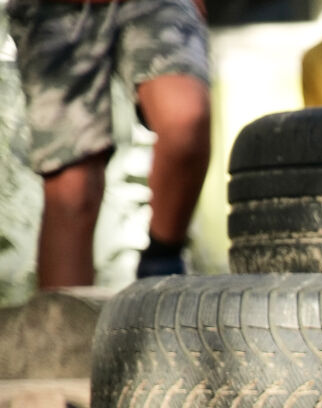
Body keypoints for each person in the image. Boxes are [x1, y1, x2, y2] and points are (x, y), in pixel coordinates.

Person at [8, 0, 212, 287]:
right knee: (73, 191)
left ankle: (161, 267)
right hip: (57, 8)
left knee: (186, 122)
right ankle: (63, 328)